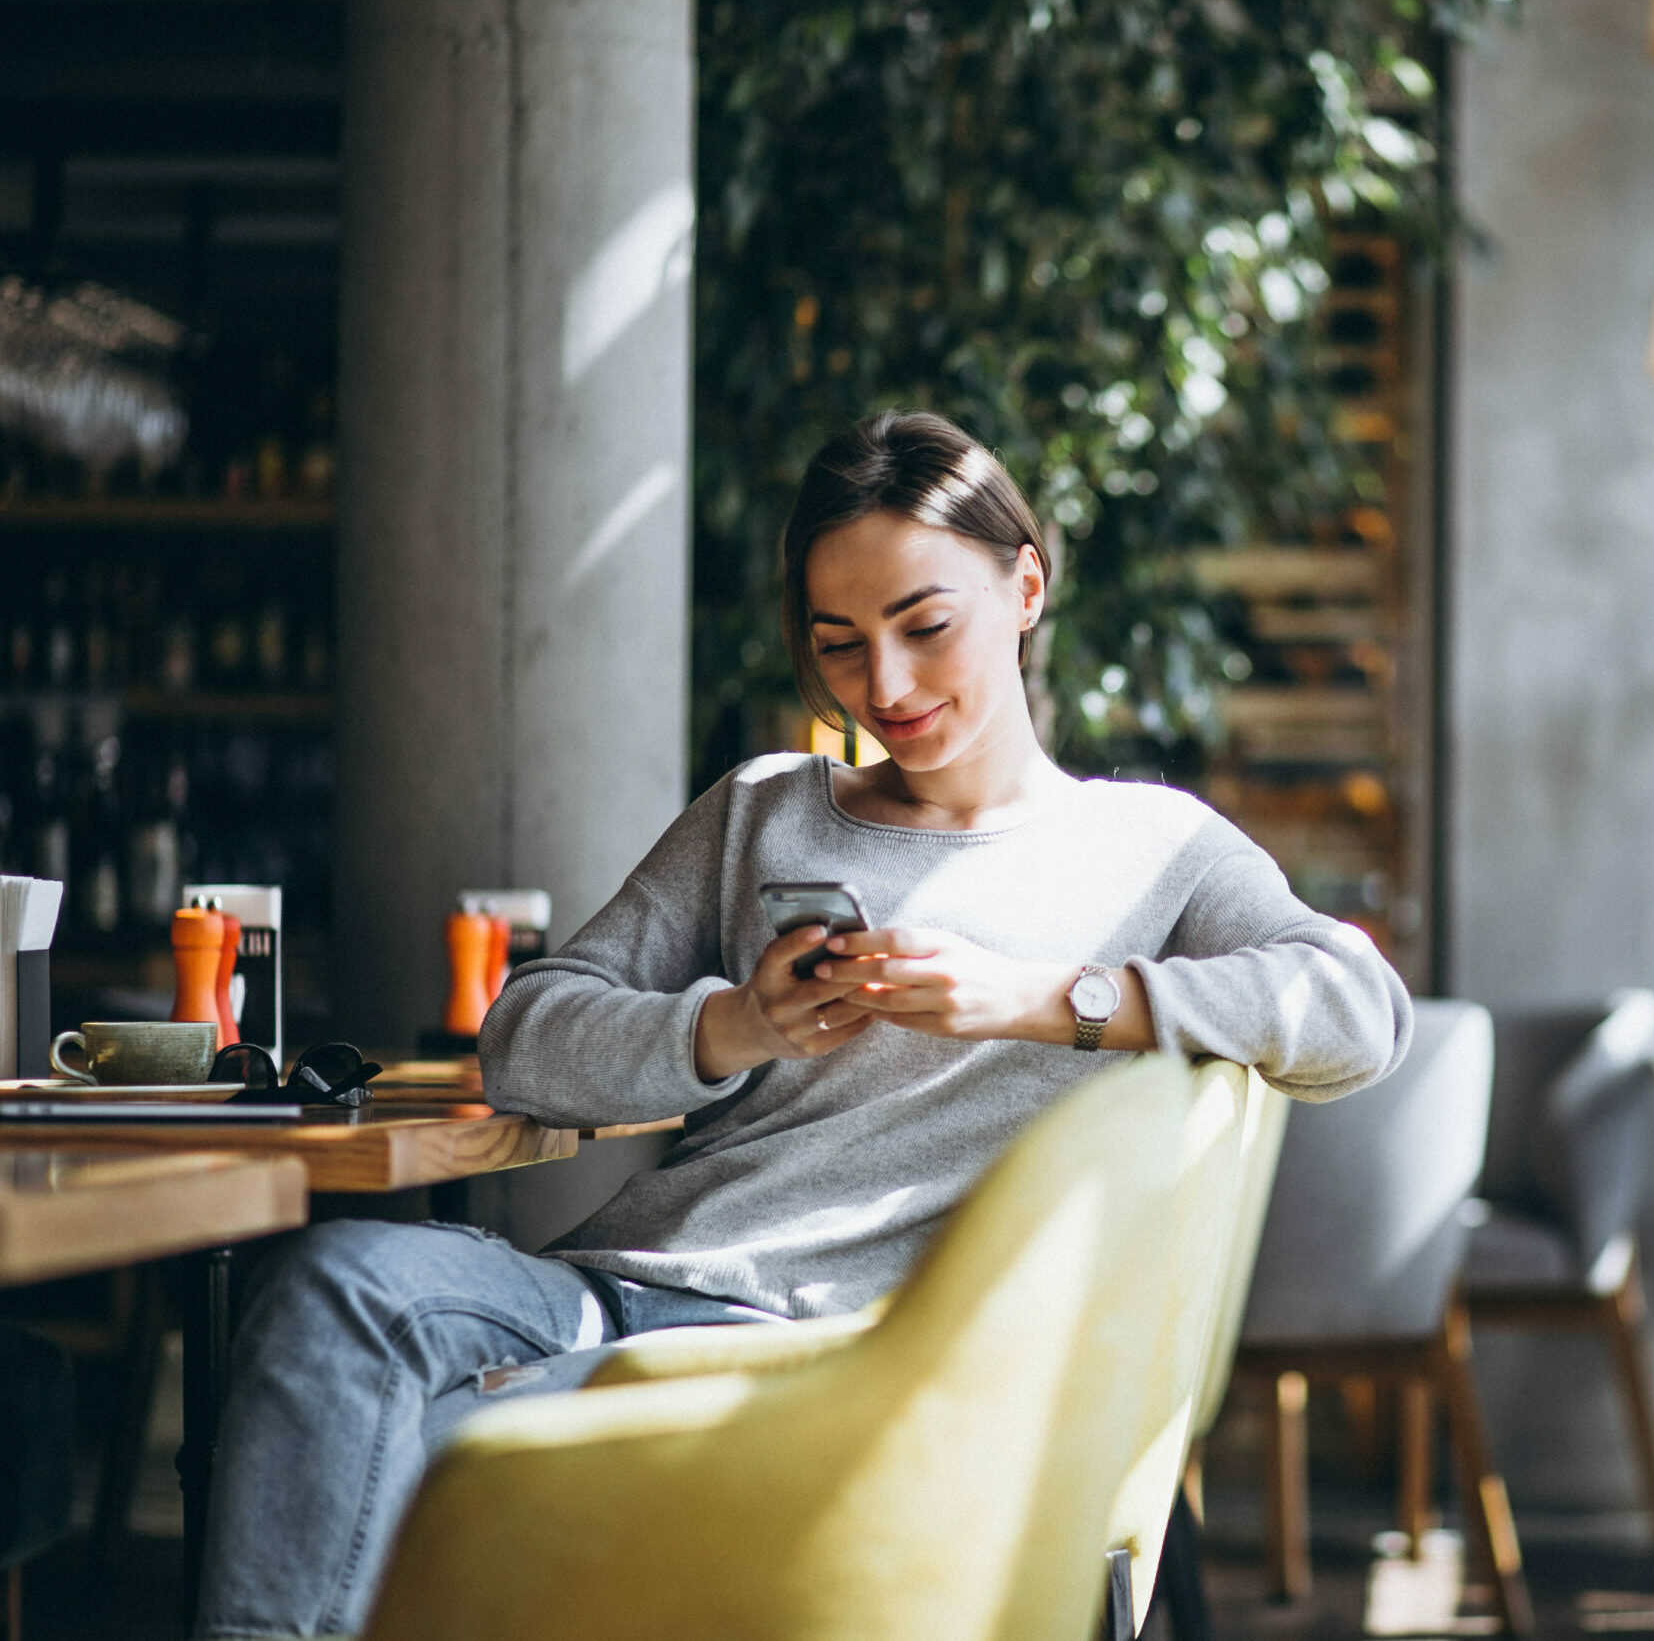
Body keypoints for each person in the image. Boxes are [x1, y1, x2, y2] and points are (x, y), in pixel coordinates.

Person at [194, 410, 1411, 1638]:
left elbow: (1358, 1009)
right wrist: (734, 1025)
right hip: (618, 1290)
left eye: (924, 626)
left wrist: (1046, 1000)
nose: (882, 687)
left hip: (828, 1360)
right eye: (838, 644)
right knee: (335, 1284)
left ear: (1024, 583)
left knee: (420, 1449)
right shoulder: (763, 809)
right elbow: (524, 1034)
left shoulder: (1151, 849)